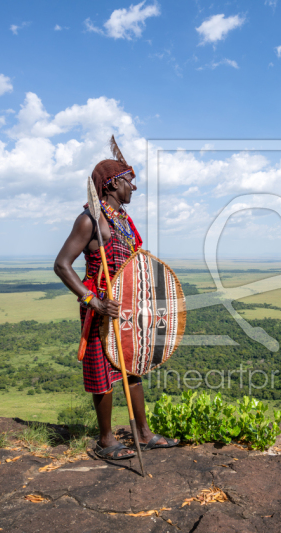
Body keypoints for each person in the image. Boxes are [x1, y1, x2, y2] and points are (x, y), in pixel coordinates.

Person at [54, 137, 179, 460]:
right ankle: (106, 440)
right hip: (101, 310)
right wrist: (91, 300)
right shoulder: (90, 221)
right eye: (129, 182)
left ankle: (144, 433)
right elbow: (61, 265)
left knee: (132, 368)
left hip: (126, 311)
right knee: (103, 373)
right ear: (112, 184)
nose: (133, 188)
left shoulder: (122, 221)